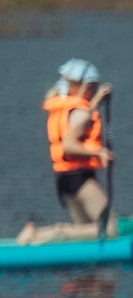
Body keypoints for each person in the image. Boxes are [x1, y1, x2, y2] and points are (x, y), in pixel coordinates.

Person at [19, 59, 114, 245]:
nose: (94, 91)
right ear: (84, 87)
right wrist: (99, 153)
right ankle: (56, 232)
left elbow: (81, 117)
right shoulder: (80, 113)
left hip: (65, 179)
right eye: (93, 87)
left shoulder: (66, 108)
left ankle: (35, 234)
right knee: (109, 228)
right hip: (80, 179)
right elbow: (68, 146)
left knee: (85, 230)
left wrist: (95, 102)